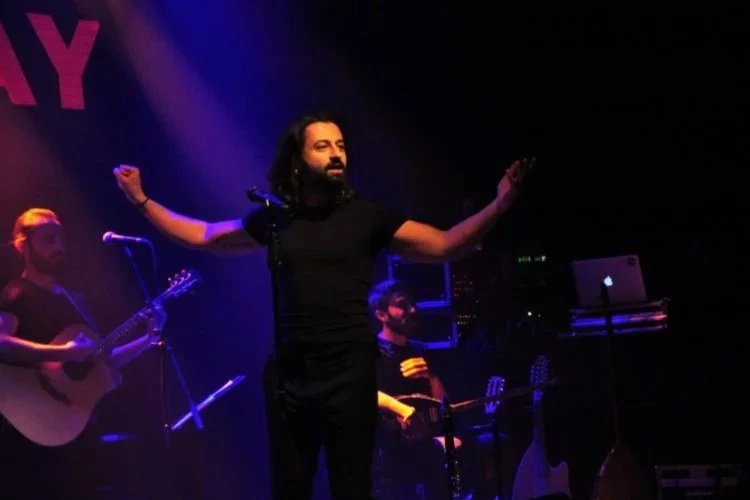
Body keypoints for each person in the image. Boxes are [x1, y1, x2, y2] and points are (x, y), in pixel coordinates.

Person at [112, 111, 533, 499]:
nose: (336, 154)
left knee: (352, 488)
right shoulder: (277, 219)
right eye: (323, 146)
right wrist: (141, 201)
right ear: (298, 161)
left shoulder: (367, 216)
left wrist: (500, 204)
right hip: (290, 380)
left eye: (341, 146)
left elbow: (444, 244)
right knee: (291, 488)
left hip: (350, 377)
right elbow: (205, 235)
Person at [0, 208, 163, 499]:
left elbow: (98, 362)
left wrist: (147, 339)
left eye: (60, 239)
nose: (58, 247)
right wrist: (60, 352)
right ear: (23, 247)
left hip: (76, 427)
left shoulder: (74, 300)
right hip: (30, 433)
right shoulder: (16, 294)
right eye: (48, 240)